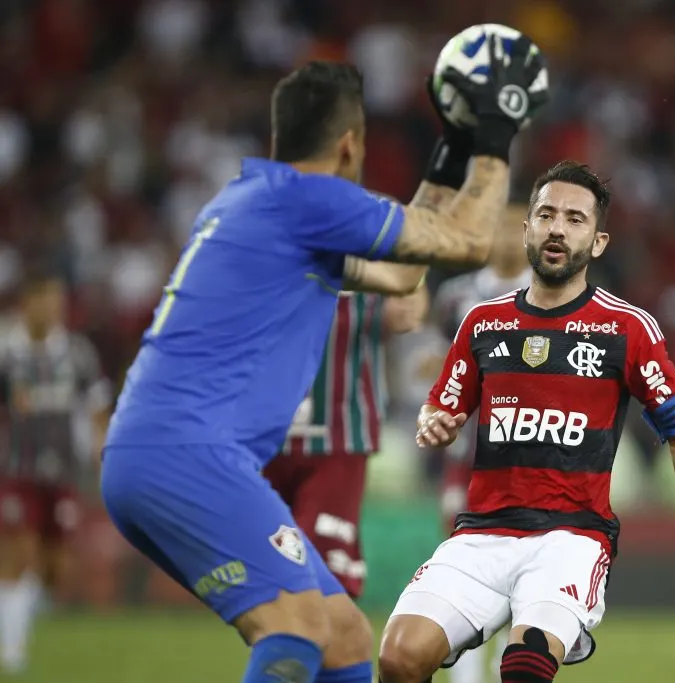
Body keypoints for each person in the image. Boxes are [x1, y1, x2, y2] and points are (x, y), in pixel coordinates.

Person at [100, 35, 548, 683]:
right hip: (190, 452)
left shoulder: (259, 203)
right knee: (296, 625)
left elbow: (401, 274)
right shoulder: (310, 202)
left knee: (343, 635)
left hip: (153, 449)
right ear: (348, 145)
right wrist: (497, 130)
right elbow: (470, 241)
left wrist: (450, 147)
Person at [377, 161, 675, 683]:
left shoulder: (626, 328)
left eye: (575, 219)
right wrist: (436, 422)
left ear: (598, 242)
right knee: (398, 658)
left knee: (524, 669)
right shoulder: (482, 321)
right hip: (482, 533)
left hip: (571, 538)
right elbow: (441, 404)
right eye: (546, 214)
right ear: (527, 230)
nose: (558, 227)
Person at [264, 286, 429, 600]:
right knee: (270, 573)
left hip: (338, 437)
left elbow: (407, 312)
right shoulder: (262, 253)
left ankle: (314, 645)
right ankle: (288, 645)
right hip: (266, 440)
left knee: (323, 576)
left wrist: (408, 281)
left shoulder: (370, 253)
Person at [433, 202, 533, 683]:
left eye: (520, 230)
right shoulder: (457, 297)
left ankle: (504, 664)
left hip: (530, 454)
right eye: (503, 229)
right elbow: (443, 362)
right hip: (469, 456)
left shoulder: (549, 293)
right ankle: (467, 670)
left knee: (526, 561)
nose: (512, 241)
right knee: (463, 560)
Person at [0, 270, 111, 674]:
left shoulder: (76, 353)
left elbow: (97, 402)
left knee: (55, 569)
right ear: (27, 303)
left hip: (63, 470)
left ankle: (15, 618)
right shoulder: (7, 352)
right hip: (17, 469)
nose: (52, 309)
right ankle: (12, 652)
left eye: (57, 302)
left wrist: (103, 449)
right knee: (20, 556)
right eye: (45, 300)